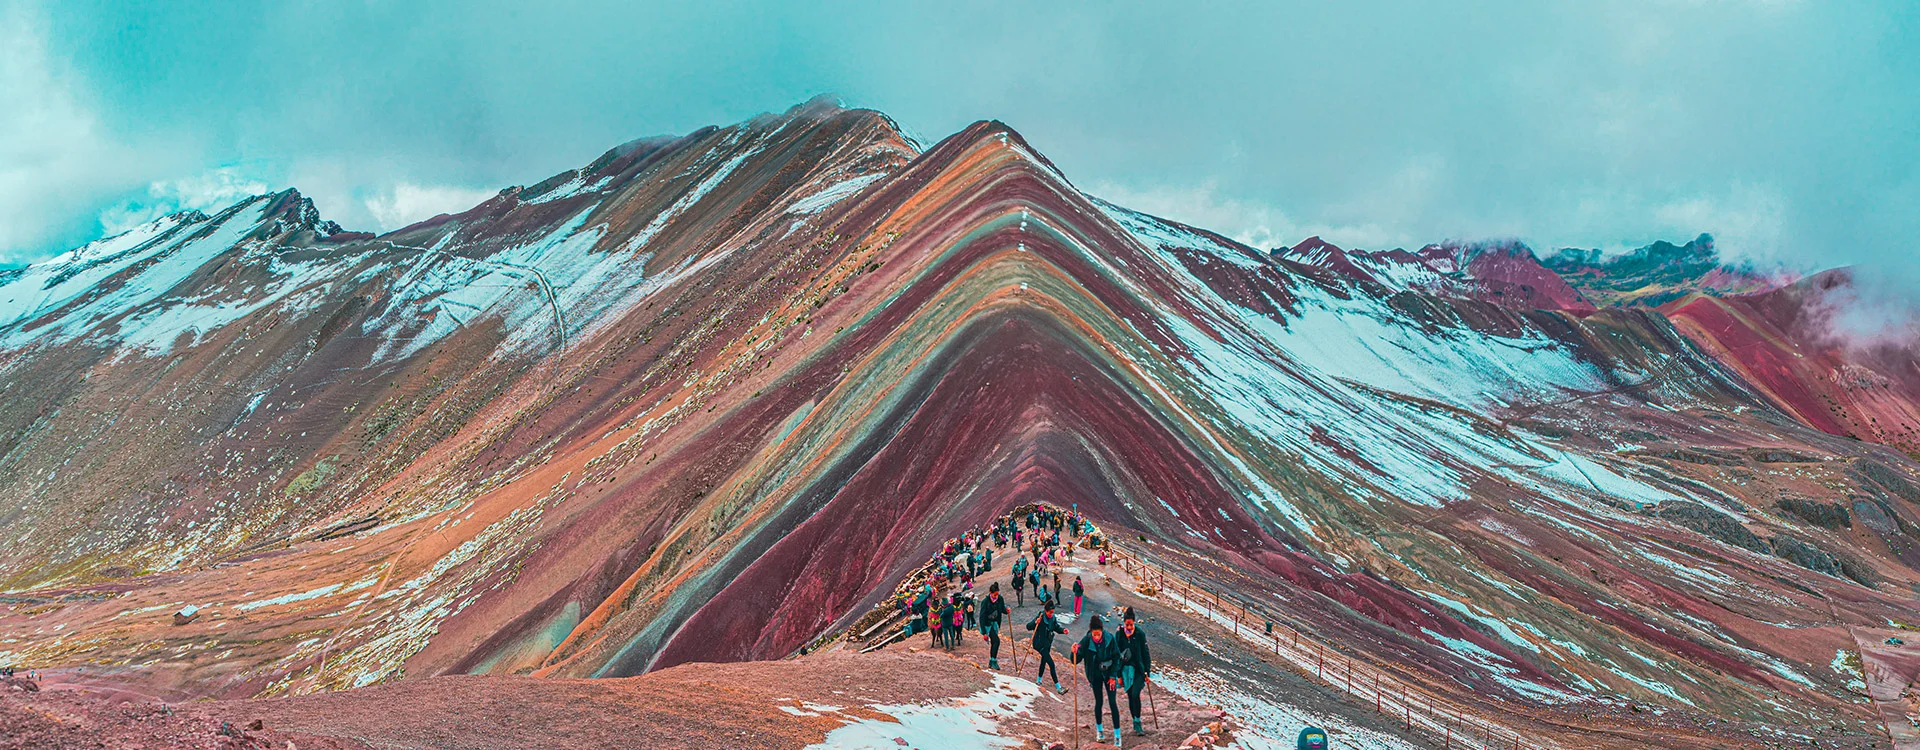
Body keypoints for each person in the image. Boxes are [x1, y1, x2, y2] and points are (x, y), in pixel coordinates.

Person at [1072, 615, 1122, 745]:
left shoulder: (1110, 639)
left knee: (1112, 702)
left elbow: (1117, 658)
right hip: (1095, 676)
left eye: (1098, 634)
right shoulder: (1086, 640)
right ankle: (1099, 731)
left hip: (1109, 674)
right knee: (1098, 702)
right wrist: (1074, 652)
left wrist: (1112, 677)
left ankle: (1117, 735)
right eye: (1094, 634)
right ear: (1091, 632)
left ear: (1102, 631)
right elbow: (1076, 660)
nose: (1096, 637)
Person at [1115, 607, 1153, 736]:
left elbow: (1145, 653)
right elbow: (1116, 655)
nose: (1129, 627)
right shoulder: (1119, 634)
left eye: (1131, 625)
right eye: (1127, 625)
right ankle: (1135, 721)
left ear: (1134, 623)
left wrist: (1147, 672)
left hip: (1138, 670)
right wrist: (1118, 675)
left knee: (1136, 693)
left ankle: (1138, 723)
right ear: (1124, 623)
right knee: (1131, 696)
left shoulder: (1140, 634)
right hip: (1125, 670)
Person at [1026, 601, 1068, 693]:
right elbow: (1028, 627)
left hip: (1048, 643)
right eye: (1050, 612)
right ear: (1045, 610)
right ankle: (1058, 687)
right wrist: (1035, 622)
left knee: (1044, 661)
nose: (1051, 614)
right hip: (1039, 644)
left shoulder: (1052, 618)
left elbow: (1056, 627)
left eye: (1052, 612)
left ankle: (1039, 680)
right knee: (1051, 664)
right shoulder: (1040, 617)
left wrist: (1062, 630)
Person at [980, 583, 1009, 668]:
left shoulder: (1000, 599)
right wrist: (984, 633)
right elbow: (982, 616)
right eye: (994, 594)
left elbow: (1002, 609)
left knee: (994, 642)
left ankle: (991, 661)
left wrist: (1007, 610)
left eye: (997, 594)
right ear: (990, 593)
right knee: (997, 641)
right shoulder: (985, 602)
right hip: (987, 624)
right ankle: (993, 661)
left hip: (995, 623)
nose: (996, 596)